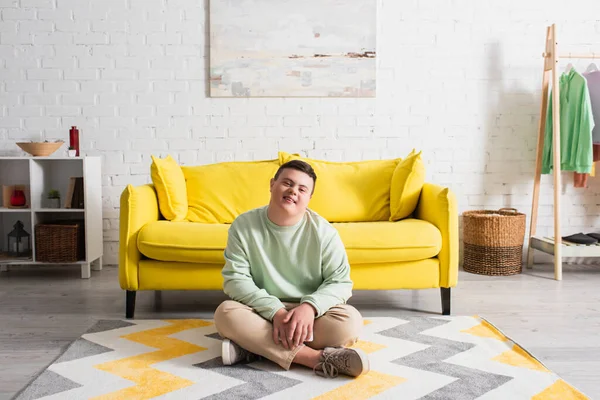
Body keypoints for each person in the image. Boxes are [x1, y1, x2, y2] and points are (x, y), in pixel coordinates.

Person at [213, 159, 369, 378]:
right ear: (272, 184)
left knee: (350, 323)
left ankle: (252, 348)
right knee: (225, 314)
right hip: (262, 311)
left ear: (309, 198)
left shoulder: (324, 232)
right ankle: (315, 359)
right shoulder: (244, 225)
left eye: (302, 189)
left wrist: (309, 307)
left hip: (310, 317)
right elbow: (235, 280)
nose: (293, 191)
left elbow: (340, 282)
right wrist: (275, 311)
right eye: (287, 183)